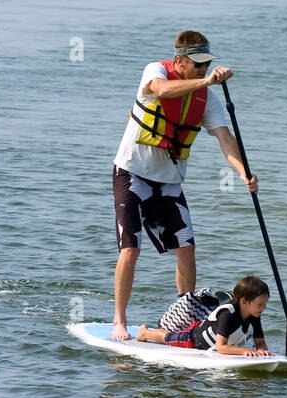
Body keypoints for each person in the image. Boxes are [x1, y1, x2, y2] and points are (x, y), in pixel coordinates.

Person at [111, 30, 258, 340]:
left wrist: (244, 171)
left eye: (207, 64)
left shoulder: (207, 98)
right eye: (198, 64)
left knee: (187, 248)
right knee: (131, 251)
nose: (204, 69)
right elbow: (162, 91)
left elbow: (225, 138)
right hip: (132, 173)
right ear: (180, 61)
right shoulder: (156, 70)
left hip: (169, 181)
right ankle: (119, 322)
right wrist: (206, 81)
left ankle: (183, 320)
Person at [136, 276, 271, 357]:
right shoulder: (228, 314)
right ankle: (145, 333)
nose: (263, 308)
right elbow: (221, 347)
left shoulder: (254, 315)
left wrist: (261, 351)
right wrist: (244, 351)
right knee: (168, 337)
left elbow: (260, 343)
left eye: (264, 304)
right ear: (243, 302)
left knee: (171, 335)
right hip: (194, 340)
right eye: (260, 305)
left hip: (206, 332)